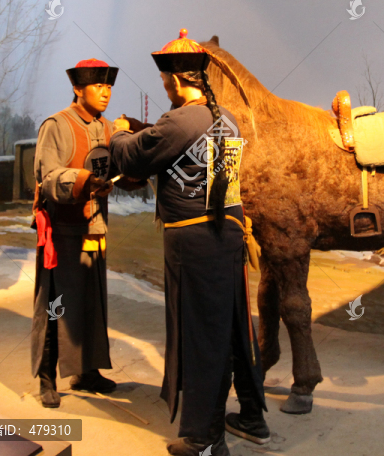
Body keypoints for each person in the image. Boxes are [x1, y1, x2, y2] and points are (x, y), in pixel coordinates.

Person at [110, 30, 269, 456]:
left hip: (195, 242)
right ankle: (252, 416)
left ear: (178, 81)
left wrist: (120, 133)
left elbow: (134, 157)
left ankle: (204, 439)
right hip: (227, 236)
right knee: (234, 330)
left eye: (166, 84)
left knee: (202, 338)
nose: (166, 91)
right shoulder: (227, 117)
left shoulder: (182, 119)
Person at [31, 58, 138, 408]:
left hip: (95, 227)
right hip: (62, 228)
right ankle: (47, 377)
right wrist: (83, 180)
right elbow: (48, 177)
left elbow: (122, 168)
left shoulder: (109, 127)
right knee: (55, 302)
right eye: (98, 86)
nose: (106, 93)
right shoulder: (56, 125)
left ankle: (87, 371)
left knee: (93, 300)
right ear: (78, 89)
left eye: (109, 87)